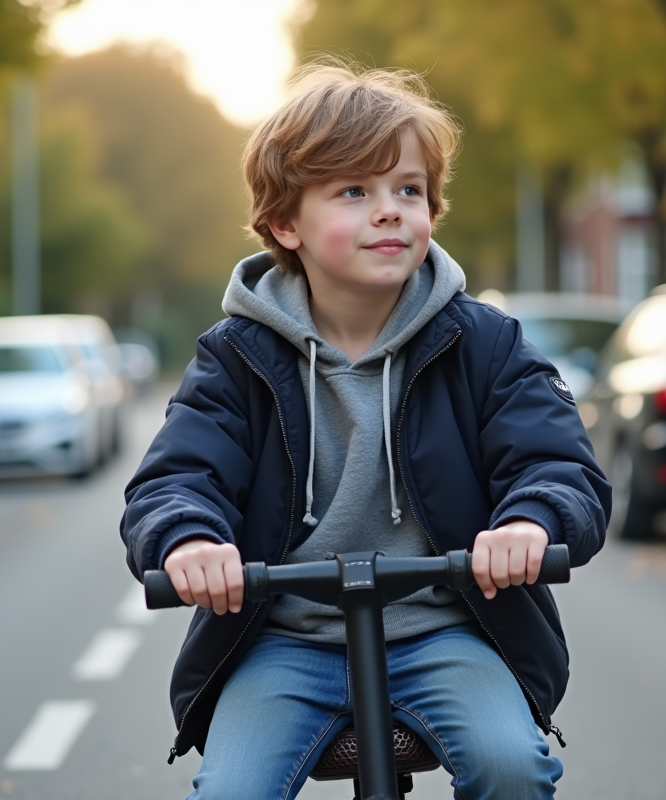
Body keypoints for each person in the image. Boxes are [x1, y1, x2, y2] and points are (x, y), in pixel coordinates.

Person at [120, 62, 611, 800]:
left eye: (408, 190)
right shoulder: (236, 357)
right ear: (287, 223)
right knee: (230, 791)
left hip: (443, 631)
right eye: (355, 190)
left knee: (513, 766)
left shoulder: (483, 344)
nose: (390, 211)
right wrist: (189, 539)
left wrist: (532, 522)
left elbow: (558, 462)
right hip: (286, 640)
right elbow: (178, 476)